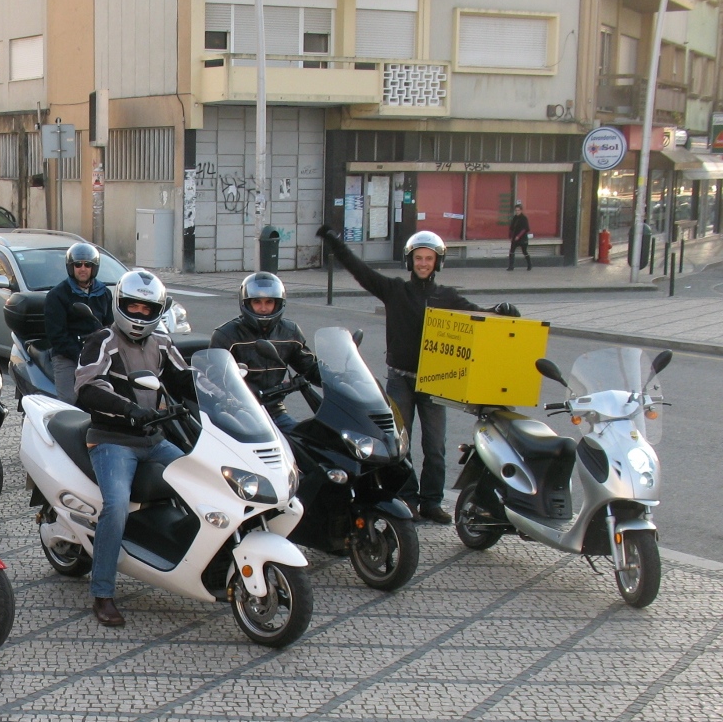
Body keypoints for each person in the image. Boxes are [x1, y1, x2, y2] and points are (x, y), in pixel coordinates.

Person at [318, 226, 521, 523]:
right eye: (418, 258)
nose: (423, 263)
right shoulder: (395, 290)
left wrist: (501, 311)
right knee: (402, 446)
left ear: (438, 263)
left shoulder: (447, 297)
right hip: (400, 378)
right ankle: (407, 499)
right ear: (409, 261)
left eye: (429, 259)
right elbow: (361, 272)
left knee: (435, 447)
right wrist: (337, 243)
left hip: (435, 382)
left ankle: (431, 502)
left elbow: (480, 318)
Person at [75, 270, 196, 626]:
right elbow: (84, 388)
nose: (140, 315)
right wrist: (129, 409)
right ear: (119, 304)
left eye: (147, 309)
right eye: (133, 306)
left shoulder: (162, 342)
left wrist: (221, 385)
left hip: (154, 438)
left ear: (157, 310)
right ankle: (102, 593)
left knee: (200, 480)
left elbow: (183, 378)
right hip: (112, 440)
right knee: (116, 507)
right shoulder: (103, 340)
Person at [210, 273, 319, 432]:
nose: (263, 308)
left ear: (278, 303)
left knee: (305, 443)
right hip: (238, 413)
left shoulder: (290, 333)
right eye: (257, 302)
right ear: (246, 303)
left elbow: (309, 367)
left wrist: (338, 375)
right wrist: (240, 393)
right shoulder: (227, 335)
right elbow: (213, 378)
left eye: (269, 302)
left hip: (275, 411)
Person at [44, 242, 113, 403]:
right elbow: (57, 337)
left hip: (97, 353)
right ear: (71, 267)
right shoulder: (57, 295)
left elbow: (110, 326)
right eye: (78, 264)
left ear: (94, 267)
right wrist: (81, 355)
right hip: (68, 355)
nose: (83, 269)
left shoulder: (104, 293)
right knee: (69, 401)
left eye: (88, 265)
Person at [508, 201, 532, 272]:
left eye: (518, 210)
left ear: (521, 210)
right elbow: (512, 228)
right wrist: (510, 236)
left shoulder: (524, 218)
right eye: (516, 210)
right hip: (515, 238)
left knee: (524, 251)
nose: (517, 212)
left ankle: (529, 265)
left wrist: (518, 236)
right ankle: (511, 266)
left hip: (522, 238)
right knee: (511, 251)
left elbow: (525, 228)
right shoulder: (515, 218)